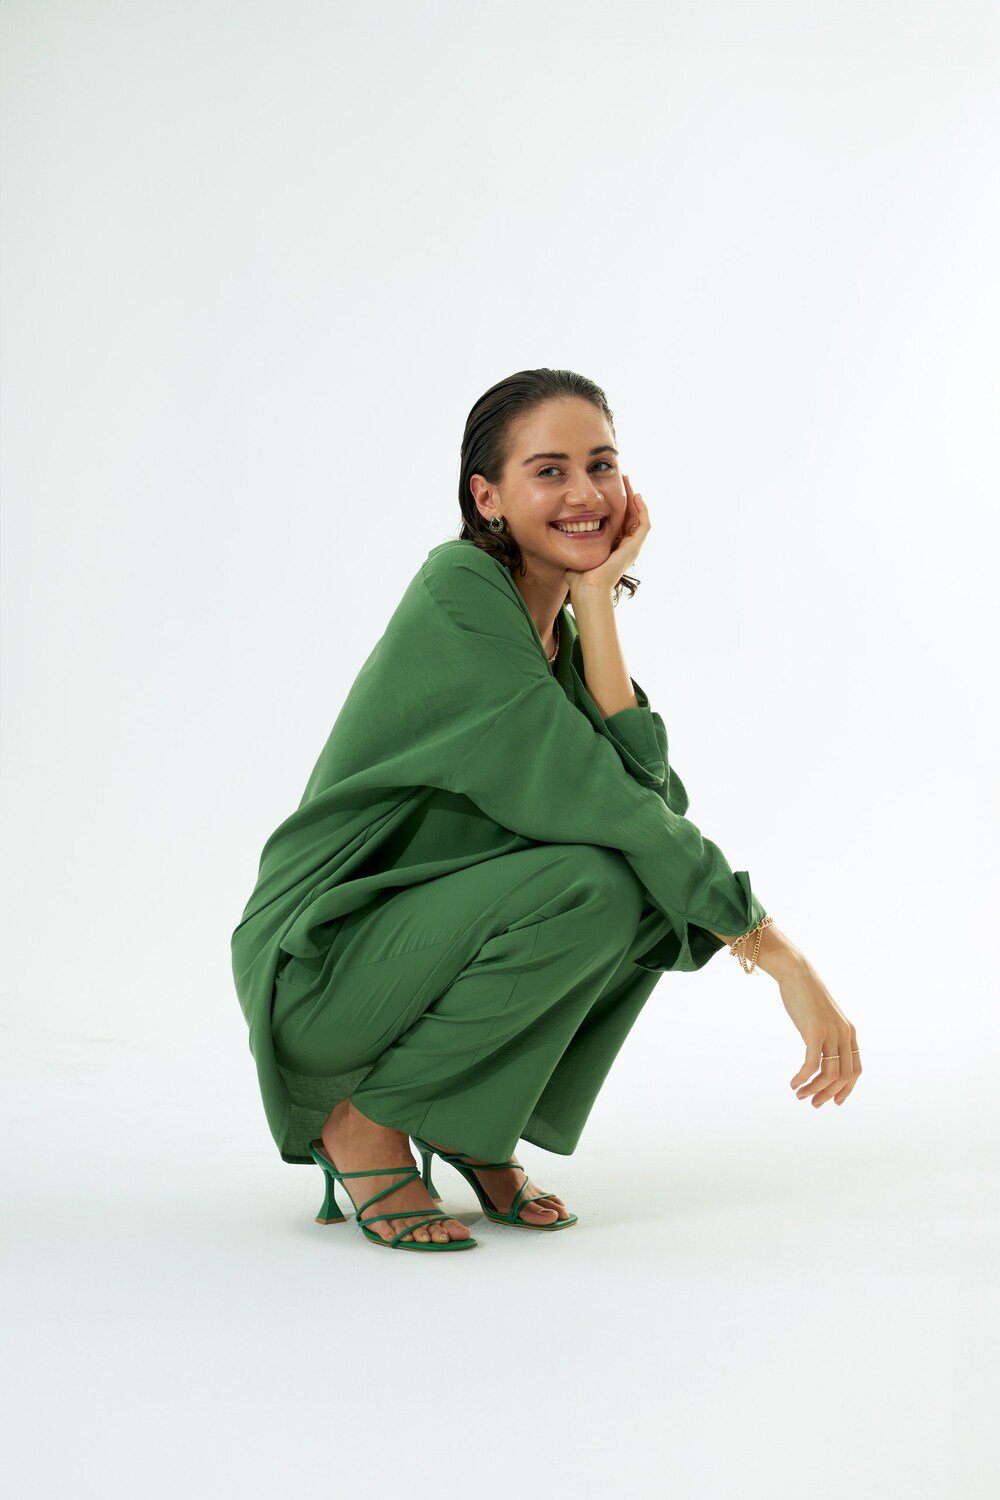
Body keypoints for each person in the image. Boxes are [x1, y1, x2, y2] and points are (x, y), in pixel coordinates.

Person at [230, 367, 861, 1254]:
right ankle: (362, 1126)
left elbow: (650, 798)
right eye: (550, 471)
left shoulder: (555, 638)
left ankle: (469, 1118)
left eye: (601, 465)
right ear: (486, 497)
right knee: (594, 877)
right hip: (325, 963)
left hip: (413, 950)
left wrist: (596, 604)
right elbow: (609, 803)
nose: (586, 493)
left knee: (638, 887)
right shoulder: (459, 595)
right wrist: (775, 951)